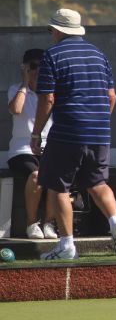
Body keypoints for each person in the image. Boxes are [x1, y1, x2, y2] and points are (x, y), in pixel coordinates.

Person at [30, 9, 116, 260]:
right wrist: (98, 121)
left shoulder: (52, 55)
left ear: (57, 30)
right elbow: (112, 96)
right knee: (98, 183)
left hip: (67, 131)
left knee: (59, 187)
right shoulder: (99, 55)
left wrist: (36, 134)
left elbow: (48, 98)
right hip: (99, 133)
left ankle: (66, 246)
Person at [6, 48, 57, 239]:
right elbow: (16, 109)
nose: (37, 70)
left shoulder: (51, 93)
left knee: (55, 177)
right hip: (22, 150)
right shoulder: (16, 89)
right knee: (36, 176)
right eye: (33, 66)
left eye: (40, 66)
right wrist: (26, 84)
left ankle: (50, 223)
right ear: (25, 68)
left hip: (47, 149)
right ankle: (31, 223)